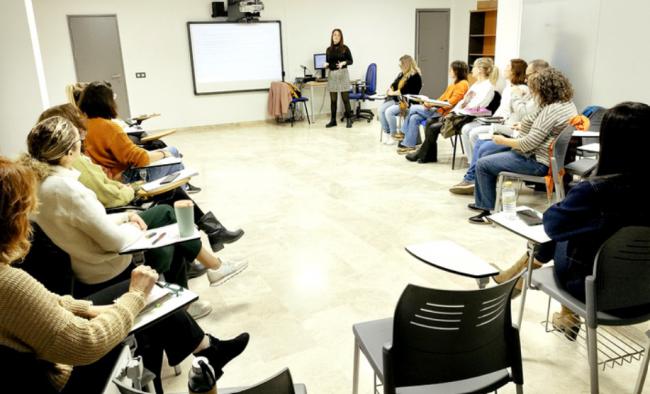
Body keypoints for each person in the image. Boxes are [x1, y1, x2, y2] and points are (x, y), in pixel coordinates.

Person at [0, 157, 249, 393]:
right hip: (61, 381)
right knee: (144, 314)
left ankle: (206, 348)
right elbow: (86, 343)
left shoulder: (9, 278)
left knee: (145, 303)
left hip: (42, 355)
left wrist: (96, 309)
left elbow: (46, 304)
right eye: (25, 214)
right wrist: (135, 297)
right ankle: (202, 348)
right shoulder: (8, 282)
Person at [22, 116, 247, 318]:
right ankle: (210, 272)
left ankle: (198, 287)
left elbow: (87, 221)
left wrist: (125, 217)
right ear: (68, 152)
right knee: (169, 215)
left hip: (87, 259)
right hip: (107, 264)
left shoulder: (39, 183)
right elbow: (115, 240)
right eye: (79, 141)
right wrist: (133, 223)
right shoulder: (68, 189)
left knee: (171, 222)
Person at [493, 102, 650, 339]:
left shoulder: (595, 191)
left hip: (595, 291)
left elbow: (552, 225)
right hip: (643, 294)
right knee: (581, 228)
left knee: (563, 231)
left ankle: (515, 281)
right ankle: (519, 282)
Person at [38, 103, 244, 254]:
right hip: (123, 192)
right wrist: (136, 186)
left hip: (117, 188)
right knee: (171, 181)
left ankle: (212, 233)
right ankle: (211, 236)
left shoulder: (56, 170)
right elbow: (131, 167)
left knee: (172, 188)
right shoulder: (84, 154)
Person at [468, 68, 577, 224]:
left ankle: (488, 211)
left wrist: (502, 140)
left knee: (483, 164)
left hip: (536, 160)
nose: (533, 93)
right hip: (542, 154)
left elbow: (527, 144)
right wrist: (524, 125)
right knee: (486, 154)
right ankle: (485, 200)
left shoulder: (551, 110)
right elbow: (539, 125)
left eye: (535, 90)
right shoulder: (566, 104)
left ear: (545, 90)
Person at [449, 59, 549, 195]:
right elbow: (519, 116)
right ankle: (472, 175)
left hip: (515, 134)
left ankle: (473, 175)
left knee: (477, 138)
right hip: (511, 127)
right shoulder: (513, 89)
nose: (526, 79)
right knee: (478, 140)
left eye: (508, 67)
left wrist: (502, 132)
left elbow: (522, 114)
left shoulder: (524, 91)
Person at [78, 81, 189, 185]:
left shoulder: (83, 125)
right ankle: (182, 199)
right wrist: (163, 154)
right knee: (174, 158)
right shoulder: (109, 128)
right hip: (122, 179)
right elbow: (140, 159)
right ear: (107, 102)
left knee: (169, 153)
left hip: (105, 178)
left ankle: (180, 195)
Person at [406, 57, 498, 163]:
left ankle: (423, 154)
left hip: (468, 118)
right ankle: (428, 155)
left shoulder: (487, 87)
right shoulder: (476, 85)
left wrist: (458, 110)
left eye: (474, 67)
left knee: (433, 127)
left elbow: (476, 105)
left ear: (480, 70)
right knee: (431, 122)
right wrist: (456, 110)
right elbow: (464, 101)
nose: (472, 70)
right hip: (460, 114)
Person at [459, 58, 528, 162]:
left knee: (473, 132)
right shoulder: (507, 88)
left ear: (515, 71)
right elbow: (465, 102)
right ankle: (474, 164)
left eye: (508, 67)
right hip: (497, 121)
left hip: (508, 126)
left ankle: (477, 164)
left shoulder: (521, 89)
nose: (504, 69)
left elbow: (517, 113)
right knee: (468, 129)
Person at [394, 60, 469, 152]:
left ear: (457, 71)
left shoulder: (463, 84)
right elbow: (442, 98)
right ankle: (409, 145)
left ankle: (402, 132)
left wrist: (433, 104)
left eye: (451, 70)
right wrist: (430, 103)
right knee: (414, 117)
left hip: (445, 113)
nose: (449, 71)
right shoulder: (453, 84)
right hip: (438, 109)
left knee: (413, 108)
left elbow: (452, 102)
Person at [377, 55, 423, 144]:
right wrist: (390, 89)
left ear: (406, 64)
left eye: (401, 65)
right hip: (397, 100)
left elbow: (404, 91)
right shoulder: (402, 74)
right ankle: (387, 133)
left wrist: (393, 93)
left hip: (407, 103)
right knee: (380, 110)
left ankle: (393, 136)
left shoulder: (415, 76)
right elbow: (394, 84)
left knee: (388, 112)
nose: (400, 67)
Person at [324, 28, 354, 128]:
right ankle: (333, 120)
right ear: (332, 37)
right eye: (334, 35)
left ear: (340, 37)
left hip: (343, 74)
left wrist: (343, 63)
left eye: (338, 35)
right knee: (333, 100)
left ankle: (349, 120)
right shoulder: (328, 49)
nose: (335, 37)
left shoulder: (345, 48)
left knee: (345, 98)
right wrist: (326, 64)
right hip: (332, 75)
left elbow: (350, 61)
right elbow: (329, 62)